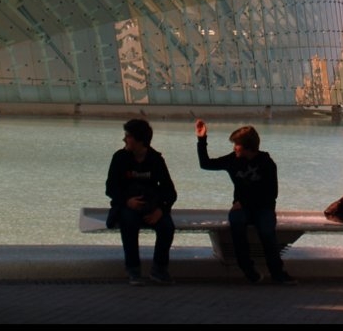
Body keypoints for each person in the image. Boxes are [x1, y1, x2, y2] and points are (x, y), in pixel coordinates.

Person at [194, 119, 297, 285]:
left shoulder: (267, 163)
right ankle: (247, 269)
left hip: (263, 208)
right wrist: (201, 140)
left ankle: (278, 273)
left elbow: (272, 193)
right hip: (241, 208)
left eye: (237, 144)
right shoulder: (233, 160)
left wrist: (246, 202)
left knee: (267, 232)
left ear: (248, 146)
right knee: (237, 223)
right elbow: (206, 164)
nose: (234, 148)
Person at [105, 118, 177, 286]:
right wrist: (127, 201)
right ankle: (133, 270)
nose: (124, 139)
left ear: (139, 140)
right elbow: (110, 188)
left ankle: (159, 270)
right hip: (127, 205)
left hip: (152, 206)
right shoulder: (120, 157)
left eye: (128, 136)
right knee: (128, 222)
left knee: (167, 227)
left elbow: (170, 191)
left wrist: (161, 210)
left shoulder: (156, 159)